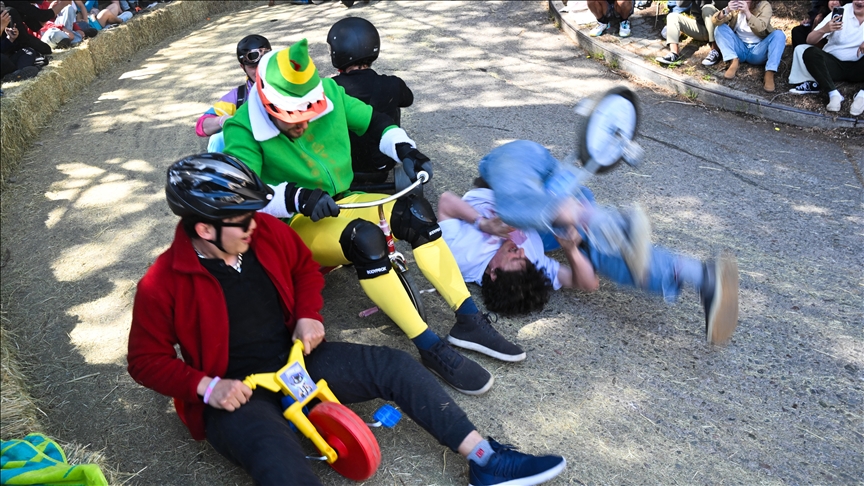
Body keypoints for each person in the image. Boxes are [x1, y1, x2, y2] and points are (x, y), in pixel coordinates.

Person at [126, 153, 568, 486]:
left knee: (395, 367)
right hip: (235, 390)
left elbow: (304, 269)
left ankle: (485, 460)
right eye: (242, 222)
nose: (254, 226)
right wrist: (207, 387)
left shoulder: (266, 232)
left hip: (296, 361)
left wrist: (307, 315)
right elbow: (145, 361)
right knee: (276, 458)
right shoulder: (161, 282)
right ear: (205, 230)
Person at [223, 41, 526, 396]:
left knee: (418, 214)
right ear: (266, 102)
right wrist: (296, 197)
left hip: (346, 199)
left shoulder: (330, 92)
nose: (303, 125)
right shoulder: (241, 127)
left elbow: (375, 123)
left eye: (308, 116)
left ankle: (469, 319)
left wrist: (405, 148)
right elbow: (243, 191)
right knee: (365, 240)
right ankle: (429, 346)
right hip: (294, 222)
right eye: (292, 119)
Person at [438, 140, 740, 345]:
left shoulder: (462, 258)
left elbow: (446, 202)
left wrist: (482, 222)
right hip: (559, 204)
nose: (519, 251)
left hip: (509, 167)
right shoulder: (529, 269)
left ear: (492, 273)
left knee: (513, 211)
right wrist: (570, 249)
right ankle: (700, 275)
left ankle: (601, 219)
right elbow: (587, 283)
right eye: (522, 258)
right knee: (598, 253)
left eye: (513, 257)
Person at [327, 17, 414, 185]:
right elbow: (408, 100)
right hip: (382, 166)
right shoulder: (392, 83)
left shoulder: (331, 88)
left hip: (342, 166)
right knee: (395, 102)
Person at [195, 34, 270, 153]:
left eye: (263, 64)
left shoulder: (288, 84)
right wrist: (222, 120)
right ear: (242, 67)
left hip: (285, 147)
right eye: (252, 66)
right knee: (217, 140)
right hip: (252, 149)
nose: (258, 70)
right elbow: (201, 126)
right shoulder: (239, 96)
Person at [791, 0, 864, 115]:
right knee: (810, 52)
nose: (859, 1)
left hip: (859, 67)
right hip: (833, 65)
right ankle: (833, 94)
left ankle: (861, 96)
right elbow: (810, 40)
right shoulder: (842, 12)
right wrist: (824, 29)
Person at [711, 0, 786, 92]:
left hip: (758, 51)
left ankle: (769, 73)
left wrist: (747, 12)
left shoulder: (764, 5)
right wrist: (726, 10)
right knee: (720, 29)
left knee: (779, 35)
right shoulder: (736, 6)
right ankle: (733, 61)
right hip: (740, 49)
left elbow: (761, 27)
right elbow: (715, 21)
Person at [655, 1, 729, 66]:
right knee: (672, 16)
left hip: (719, 27)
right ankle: (674, 54)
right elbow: (681, 4)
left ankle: (715, 51)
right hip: (701, 27)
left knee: (707, 8)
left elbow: (724, 6)